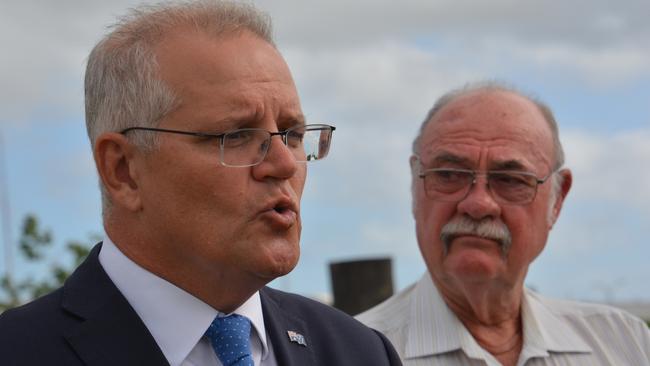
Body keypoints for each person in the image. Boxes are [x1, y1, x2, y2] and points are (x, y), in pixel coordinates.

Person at [0, 2, 401, 365]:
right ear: (122, 169)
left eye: (292, 134)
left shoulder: (359, 352)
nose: (283, 163)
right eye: (237, 135)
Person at [357, 82, 650, 365]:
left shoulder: (625, 343)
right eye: (448, 174)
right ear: (414, 186)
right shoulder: (351, 354)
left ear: (557, 199)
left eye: (510, 180)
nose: (478, 204)